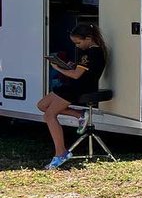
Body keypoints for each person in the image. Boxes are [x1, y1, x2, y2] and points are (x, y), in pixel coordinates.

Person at [36, 23, 107, 170]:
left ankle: (61, 152)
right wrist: (69, 66)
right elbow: (81, 70)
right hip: (75, 86)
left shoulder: (89, 53)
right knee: (42, 105)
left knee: (49, 115)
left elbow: (76, 75)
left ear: (88, 38)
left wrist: (58, 68)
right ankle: (79, 114)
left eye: (78, 42)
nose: (77, 46)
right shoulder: (93, 51)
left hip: (78, 88)